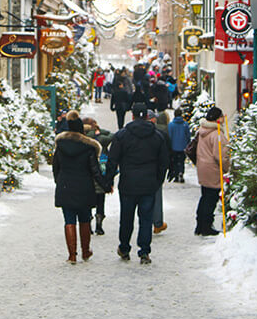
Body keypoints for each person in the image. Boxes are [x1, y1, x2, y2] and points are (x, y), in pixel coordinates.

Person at [106, 102, 169, 264]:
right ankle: (144, 250)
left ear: (132, 115)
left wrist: (109, 180)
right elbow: (163, 162)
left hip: (128, 183)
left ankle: (125, 247)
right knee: (146, 219)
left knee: (126, 217)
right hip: (149, 183)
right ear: (147, 116)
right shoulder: (157, 136)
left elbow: (112, 160)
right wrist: (158, 180)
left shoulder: (122, 135)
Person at [51, 115, 104, 263]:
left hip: (65, 186)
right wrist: (105, 185)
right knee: (85, 218)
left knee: (69, 219)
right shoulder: (89, 147)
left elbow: (56, 167)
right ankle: (85, 251)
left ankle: (72, 255)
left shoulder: (60, 146)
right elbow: (95, 170)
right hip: (84, 187)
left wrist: (59, 182)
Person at [194, 106, 225, 235]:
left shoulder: (203, 130)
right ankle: (206, 226)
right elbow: (221, 156)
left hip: (203, 167)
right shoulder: (216, 134)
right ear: (217, 119)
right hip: (213, 170)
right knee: (211, 199)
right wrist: (227, 168)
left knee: (205, 197)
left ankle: (200, 224)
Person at [86, 118, 115, 235]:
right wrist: (99, 131)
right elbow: (112, 135)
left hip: (87, 178)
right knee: (100, 201)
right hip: (101, 174)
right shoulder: (101, 139)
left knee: (87, 203)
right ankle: (99, 225)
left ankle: (87, 224)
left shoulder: (84, 139)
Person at [167, 112, 190, 182]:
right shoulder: (185, 124)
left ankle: (176, 175)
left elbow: (169, 136)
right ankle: (181, 172)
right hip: (183, 146)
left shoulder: (171, 125)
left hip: (174, 146)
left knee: (175, 161)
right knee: (181, 161)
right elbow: (188, 135)